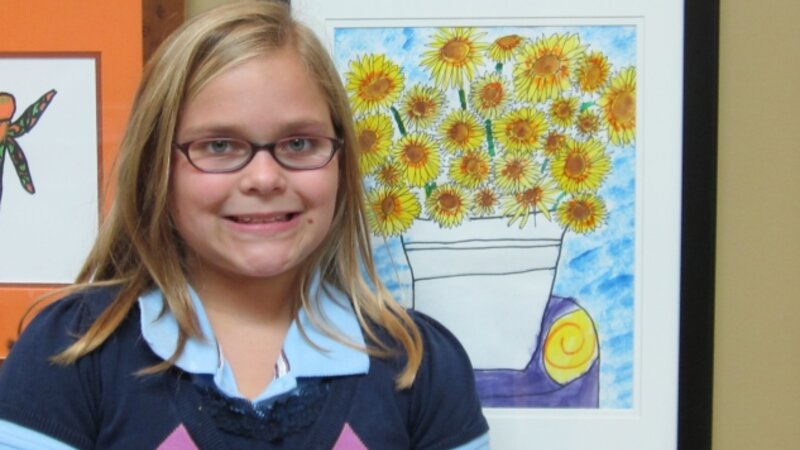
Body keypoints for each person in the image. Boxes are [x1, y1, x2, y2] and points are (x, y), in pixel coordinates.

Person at [0, 1, 490, 449]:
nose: (264, 178)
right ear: (155, 169)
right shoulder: (73, 354)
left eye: (299, 143)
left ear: (341, 162)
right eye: (218, 145)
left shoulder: (420, 366)